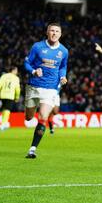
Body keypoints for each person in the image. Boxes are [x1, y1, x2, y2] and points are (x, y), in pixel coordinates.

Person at [24, 22, 68, 158]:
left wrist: (62, 76)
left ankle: (32, 149)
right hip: (34, 86)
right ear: (47, 32)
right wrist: (33, 71)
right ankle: (31, 112)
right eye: (52, 31)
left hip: (50, 88)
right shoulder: (37, 47)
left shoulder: (64, 51)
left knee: (43, 117)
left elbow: (62, 66)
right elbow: (27, 63)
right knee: (29, 117)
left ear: (60, 34)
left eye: (57, 31)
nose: (54, 33)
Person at [0, 66, 21, 130]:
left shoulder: (4, 76)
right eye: (16, 70)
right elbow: (17, 89)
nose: (17, 72)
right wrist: (17, 97)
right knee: (7, 109)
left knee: (4, 109)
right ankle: (4, 123)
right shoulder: (16, 78)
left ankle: (4, 123)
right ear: (13, 70)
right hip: (10, 95)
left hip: (2, 95)